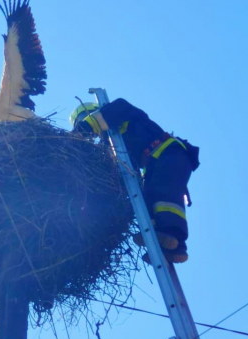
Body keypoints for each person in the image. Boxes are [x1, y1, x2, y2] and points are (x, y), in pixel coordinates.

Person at [70, 99, 200, 263]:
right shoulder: (111, 143)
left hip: (169, 153)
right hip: (155, 163)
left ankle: (170, 234)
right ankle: (171, 249)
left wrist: (79, 131)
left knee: (164, 193)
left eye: (85, 120)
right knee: (149, 199)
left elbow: (111, 112)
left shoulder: (118, 111)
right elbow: (123, 171)